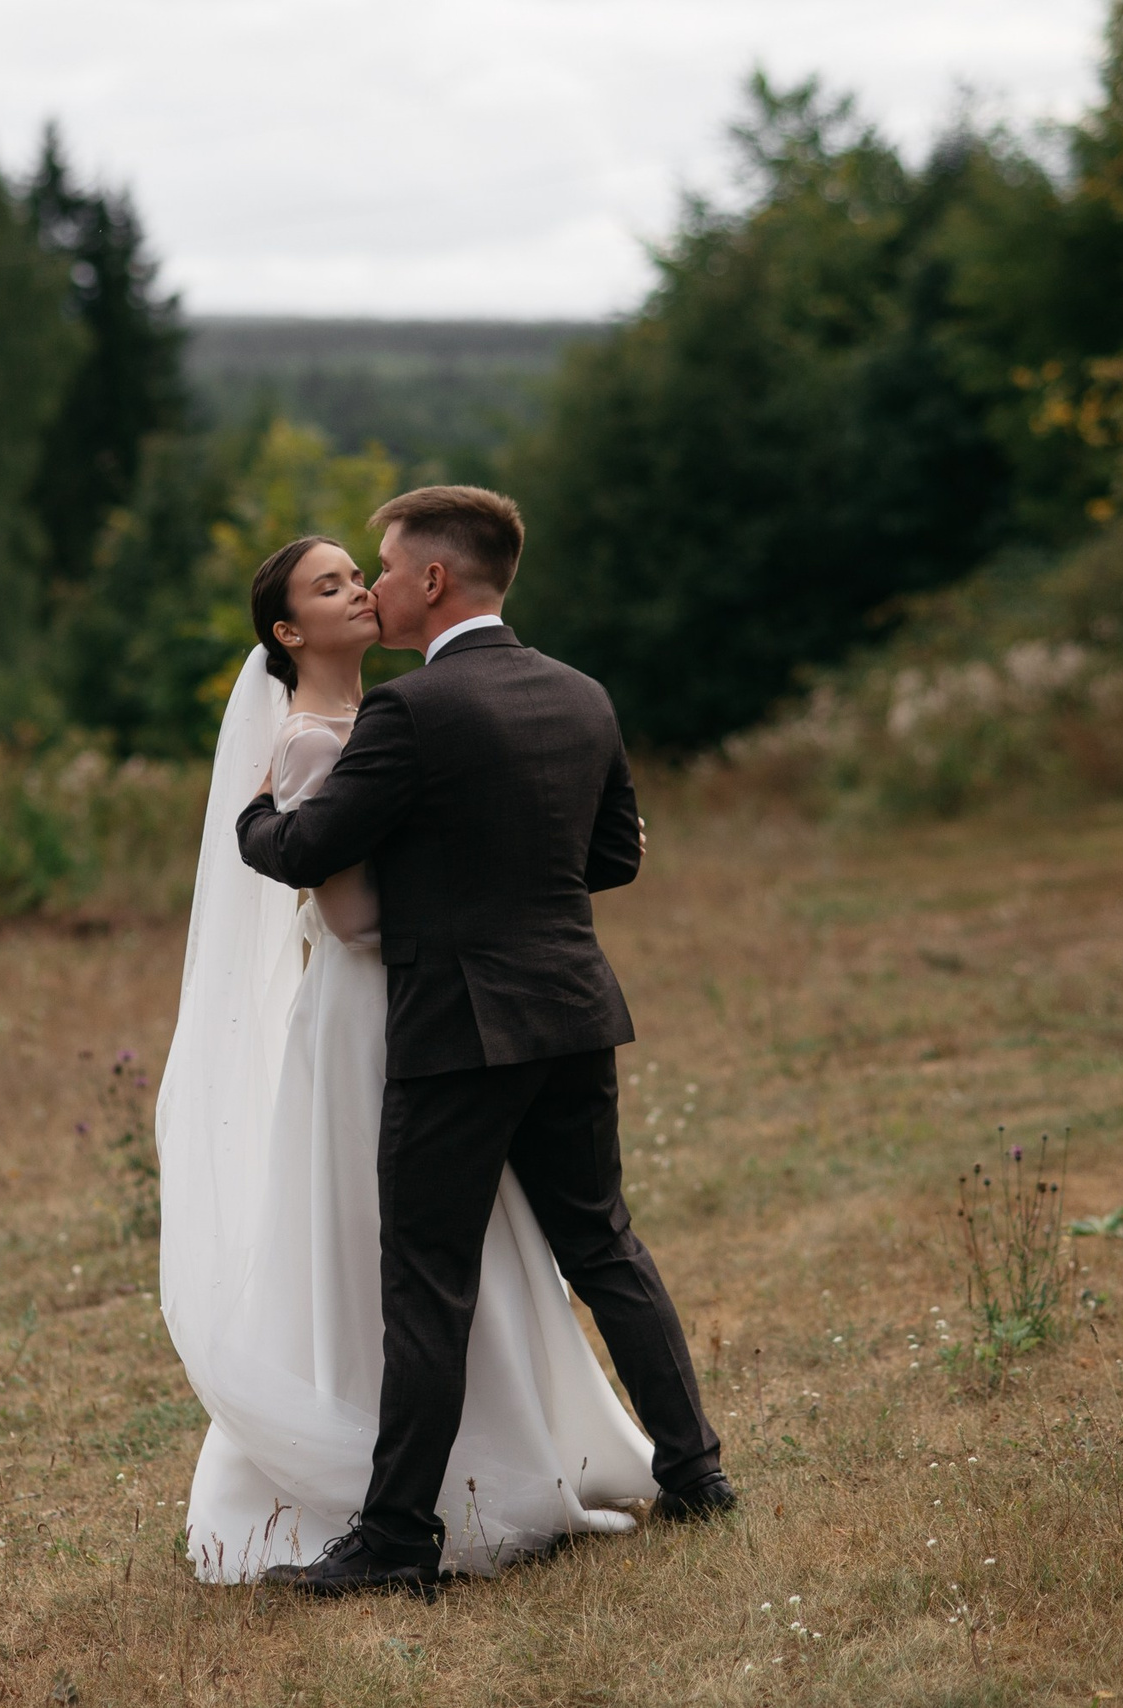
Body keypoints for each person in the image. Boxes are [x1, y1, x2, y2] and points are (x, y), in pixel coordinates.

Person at [233, 487, 734, 1596]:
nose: (374, 583)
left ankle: (396, 1540)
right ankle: (697, 1472)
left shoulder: (411, 711)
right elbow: (613, 858)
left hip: (458, 1028)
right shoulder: (580, 693)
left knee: (427, 1282)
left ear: (433, 580)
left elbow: (308, 847)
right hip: (572, 1009)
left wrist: (252, 816)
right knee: (603, 1245)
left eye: (383, 565)